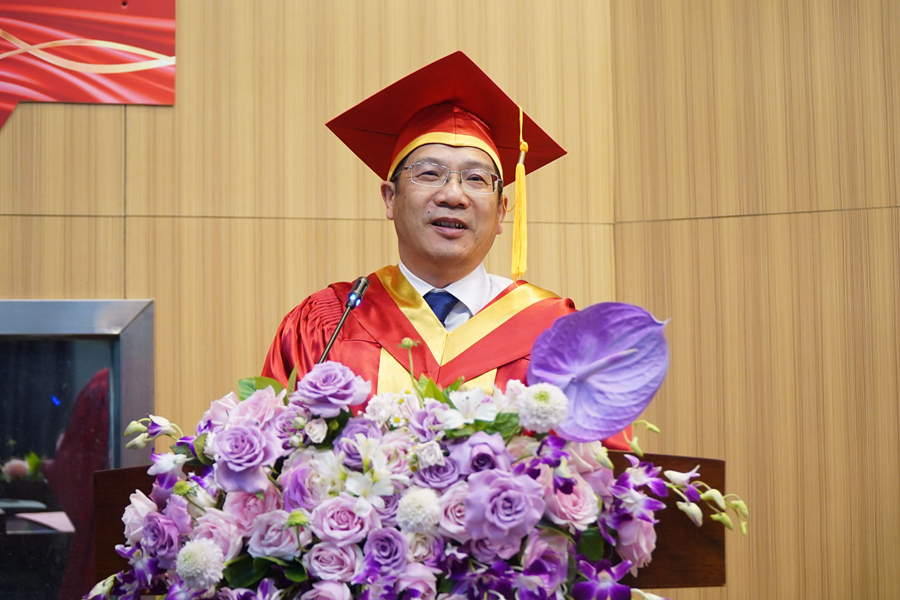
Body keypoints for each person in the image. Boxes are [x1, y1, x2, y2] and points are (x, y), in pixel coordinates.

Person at [262, 52, 628, 450]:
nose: (453, 195)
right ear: (390, 198)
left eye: (476, 179)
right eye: (429, 173)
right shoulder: (327, 324)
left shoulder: (556, 333)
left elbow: (603, 474)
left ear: (502, 210)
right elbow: (272, 461)